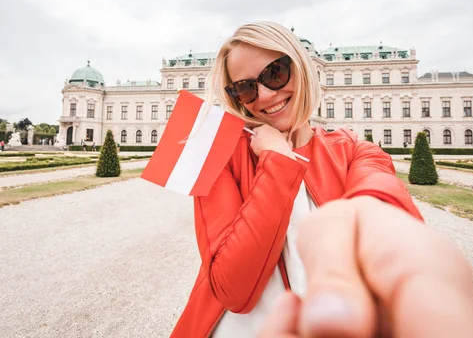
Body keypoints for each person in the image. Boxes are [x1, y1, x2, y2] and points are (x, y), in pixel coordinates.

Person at [170, 21, 423, 337]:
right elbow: (232, 291)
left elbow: (396, 239)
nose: (264, 95)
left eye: (275, 73)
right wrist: (276, 161)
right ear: (235, 98)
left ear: (302, 66)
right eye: (246, 88)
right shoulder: (215, 153)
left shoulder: (356, 151)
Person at [258, 198, 473, 337]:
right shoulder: (231, 148)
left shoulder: (355, 148)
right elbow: (233, 290)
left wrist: (375, 218)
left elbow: (376, 187)